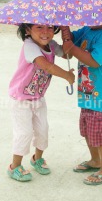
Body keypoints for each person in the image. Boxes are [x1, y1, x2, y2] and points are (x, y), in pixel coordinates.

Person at [8, 24, 75, 182]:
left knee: (42, 131)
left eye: (50, 28)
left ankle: (36, 159)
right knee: (24, 133)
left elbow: (68, 55)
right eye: (39, 27)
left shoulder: (51, 45)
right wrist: (66, 75)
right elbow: (45, 65)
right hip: (20, 99)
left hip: (38, 98)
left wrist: (66, 35)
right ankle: (14, 166)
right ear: (28, 30)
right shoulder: (29, 46)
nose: (46, 32)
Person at [61, 22, 102, 186]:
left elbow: (94, 61)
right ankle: (96, 161)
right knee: (89, 131)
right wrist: (65, 29)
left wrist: (72, 48)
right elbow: (69, 45)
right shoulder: (87, 29)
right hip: (89, 96)